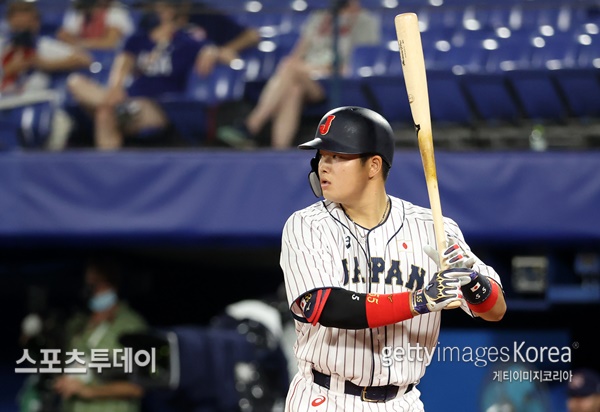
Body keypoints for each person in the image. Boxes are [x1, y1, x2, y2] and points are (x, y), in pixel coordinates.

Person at [279, 106, 507, 410]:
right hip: (325, 397)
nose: (324, 165)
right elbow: (325, 306)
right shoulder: (307, 225)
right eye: (322, 156)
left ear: (373, 166)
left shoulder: (433, 227)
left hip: (402, 400)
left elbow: (495, 310)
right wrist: (419, 300)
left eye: (338, 156)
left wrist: (471, 281)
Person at [216, 0, 380, 150]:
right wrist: (304, 68)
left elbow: (353, 65)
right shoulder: (319, 17)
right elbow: (296, 54)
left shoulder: (365, 21)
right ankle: (279, 150)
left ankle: (251, 126)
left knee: (290, 68)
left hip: (333, 82)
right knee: (294, 89)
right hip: (304, 77)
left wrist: (310, 68)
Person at [65, 0, 220, 149]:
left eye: (160, 7)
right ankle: (116, 109)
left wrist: (211, 50)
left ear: (171, 11)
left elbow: (223, 53)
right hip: (126, 99)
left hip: (158, 105)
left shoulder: (185, 42)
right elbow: (124, 62)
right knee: (76, 81)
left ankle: (108, 169)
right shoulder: (138, 39)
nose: (153, 11)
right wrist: (116, 87)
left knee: (106, 113)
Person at [52, 256, 148, 412]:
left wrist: (89, 391)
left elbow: (137, 387)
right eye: (89, 285)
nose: (92, 290)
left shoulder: (132, 325)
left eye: (98, 284)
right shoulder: (78, 323)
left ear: (113, 285)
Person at [0, 0, 92, 149]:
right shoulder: (3, 47)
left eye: (26, 27)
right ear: (9, 22)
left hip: (36, 101)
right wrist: (8, 69)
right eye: (18, 27)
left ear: (36, 24)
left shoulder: (43, 46)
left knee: (60, 122)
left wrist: (45, 65)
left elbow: (85, 59)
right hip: (5, 101)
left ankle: (45, 167)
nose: (22, 32)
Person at [55, 0, 135, 51]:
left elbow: (110, 43)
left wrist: (80, 43)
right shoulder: (79, 13)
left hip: (113, 59)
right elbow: (63, 35)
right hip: (83, 56)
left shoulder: (117, 12)